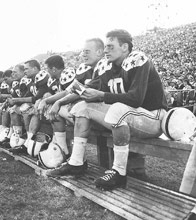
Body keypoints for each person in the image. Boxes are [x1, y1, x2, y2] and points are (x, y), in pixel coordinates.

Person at [46, 29, 168, 191]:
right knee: (82, 107)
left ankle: (119, 171)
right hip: (128, 116)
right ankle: (76, 163)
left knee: (117, 109)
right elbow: (83, 88)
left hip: (153, 117)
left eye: (110, 46)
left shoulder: (137, 59)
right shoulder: (107, 66)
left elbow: (136, 98)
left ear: (124, 47)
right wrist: (64, 99)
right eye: (106, 47)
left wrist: (102, 95)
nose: (105, 50)